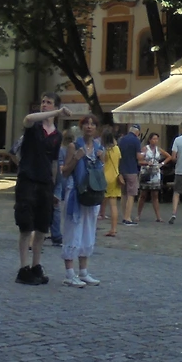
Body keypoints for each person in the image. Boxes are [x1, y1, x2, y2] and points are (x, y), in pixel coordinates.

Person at [15, 92, 68, 285]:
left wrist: (54, 188)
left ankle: (36, 265)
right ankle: (23, 268)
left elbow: (54, 162)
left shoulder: (57, 135)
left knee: (41, 227)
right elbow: (28, 119)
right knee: (25, 227)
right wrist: (54, 112)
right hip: (28, 180)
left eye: (49, 103)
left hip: (45, 183)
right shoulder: (34, 126)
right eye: (43, 102)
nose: (44, 105)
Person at [60, 115, 103, 287]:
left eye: (93, 124)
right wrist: (77, 157)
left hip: (92, 193)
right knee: (73, 230)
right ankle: (69, 273)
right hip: (76, 193)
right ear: (82, 127)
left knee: (88, 231)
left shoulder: (99, 147)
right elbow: (64, 171)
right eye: (86, 123)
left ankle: (83, 271)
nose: (89, 127)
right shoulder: (73, 146)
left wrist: (102, 159)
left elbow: (101, 171)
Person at [137, 132, 171, 223]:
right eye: (153, 139)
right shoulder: (145, 149)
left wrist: (162, 164)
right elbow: (139, 160)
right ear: (149, 140)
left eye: (156, 139)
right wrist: (147, 163)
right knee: (143, 194)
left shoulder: (158, 149)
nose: (155, 141)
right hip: (146, 173)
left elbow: (169, 156)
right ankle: (138, 215)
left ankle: (158, 216)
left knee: (155, 195)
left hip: (155, 173)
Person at [117, 124, 142, 226]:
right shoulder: (136, 141)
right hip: (132, 170)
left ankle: (124, 216)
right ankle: (128, 218)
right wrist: (142, 155)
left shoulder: (121, 140)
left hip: (122, 169)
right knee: (131, 194)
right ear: (137, 132)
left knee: (123, 194)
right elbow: (138, 157)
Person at [102, 126, 122, 238]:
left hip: (105, 177)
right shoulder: (117, 149)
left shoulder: (104, 150)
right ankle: (113, 229)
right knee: (113, 205)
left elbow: (102, 163)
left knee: (97, 203)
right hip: (115, 177)